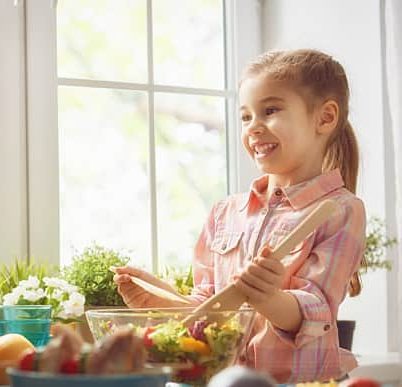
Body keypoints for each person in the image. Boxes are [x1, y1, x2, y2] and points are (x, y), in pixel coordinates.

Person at [113, 49, 366, 384]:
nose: (253, 128)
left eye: (270, 110)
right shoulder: (226, 212)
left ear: (325, 118)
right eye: (246, 117)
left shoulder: (341, 210)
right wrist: (162, 302)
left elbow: (315, 310)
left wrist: (269, 299)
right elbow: (213, 311)